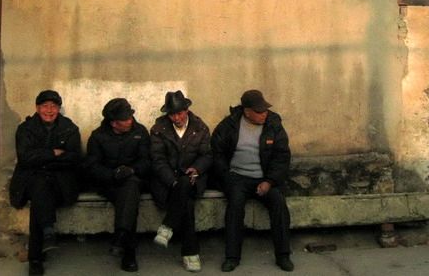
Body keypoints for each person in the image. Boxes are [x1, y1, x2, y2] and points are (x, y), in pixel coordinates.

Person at [211, 89, 293, 272]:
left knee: (279, 203)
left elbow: (282, 157)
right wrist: (226, 176)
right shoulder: (229, 125)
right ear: (247, 111)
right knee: (235, 205)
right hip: (237, 177)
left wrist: (269, 181)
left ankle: (283, 255)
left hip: (264, 178)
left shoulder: (273, 124)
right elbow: (217, 152)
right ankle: (232, 257)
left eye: (265, 110)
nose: (264, 114)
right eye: (259, 111)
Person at [9, 90, 81, 276]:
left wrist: (41, 159)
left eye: (53, 106)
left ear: (58, 109)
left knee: (40, 196)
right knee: (40, 188)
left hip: (60, 183)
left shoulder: (69, 128)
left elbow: (74, 158)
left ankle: (36, 258)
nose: (49, 110)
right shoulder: (25, 129)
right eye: (45, 106)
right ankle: (46, 233)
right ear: (37, 108)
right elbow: (25, 158)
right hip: (30, 182)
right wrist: (52, 153)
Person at [84, 97, 150, 272]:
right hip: (109, 183)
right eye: (125, 119)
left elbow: (147, 160)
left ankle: (122, 238)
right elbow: (92, 166)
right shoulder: (98, 136)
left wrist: (132, 170)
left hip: (135, 179)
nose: (130, 121)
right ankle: (128, 249)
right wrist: (112, 174)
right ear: (113, 123)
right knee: (128, 197)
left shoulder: (140, 132)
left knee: (130, 188)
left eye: (130, 117)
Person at [150, 90, 212, 273]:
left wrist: (197, 169)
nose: (176, 118)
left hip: (193, 179)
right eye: (172, 114)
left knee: (185, 185)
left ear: (186, 110)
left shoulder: (200, 127)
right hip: (166, 181)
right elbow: (158, 160)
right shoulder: (159, 129)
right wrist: (172, 181)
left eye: (179, 113)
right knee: (186, 202)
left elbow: (207, 155)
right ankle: (191, 253)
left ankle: (167, 226)